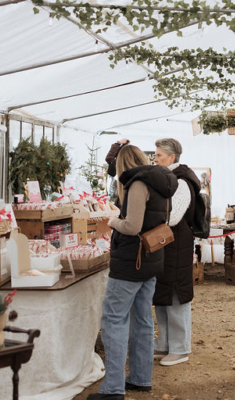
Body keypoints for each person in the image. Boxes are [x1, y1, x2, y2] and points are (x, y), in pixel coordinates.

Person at [91, 144, 178, 400]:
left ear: (122, 166)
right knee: (142, 319)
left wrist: (112, 220)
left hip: (132, 261)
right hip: (151, 258)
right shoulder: (161, 182)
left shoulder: (138, 184)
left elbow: (132, 226)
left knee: (113, 320)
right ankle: (140, 378)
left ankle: (113, 388)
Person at [151, 138, 201, 367]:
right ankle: (164, 343)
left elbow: (172, 217)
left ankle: (180, 348)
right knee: (163, 294)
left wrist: (147, 216)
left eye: (158, 155)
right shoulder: (167, 179)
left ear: (171, 157)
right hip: (166, 244)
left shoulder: (181, 182)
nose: (154, 159)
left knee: (176, 295)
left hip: (177, 244)